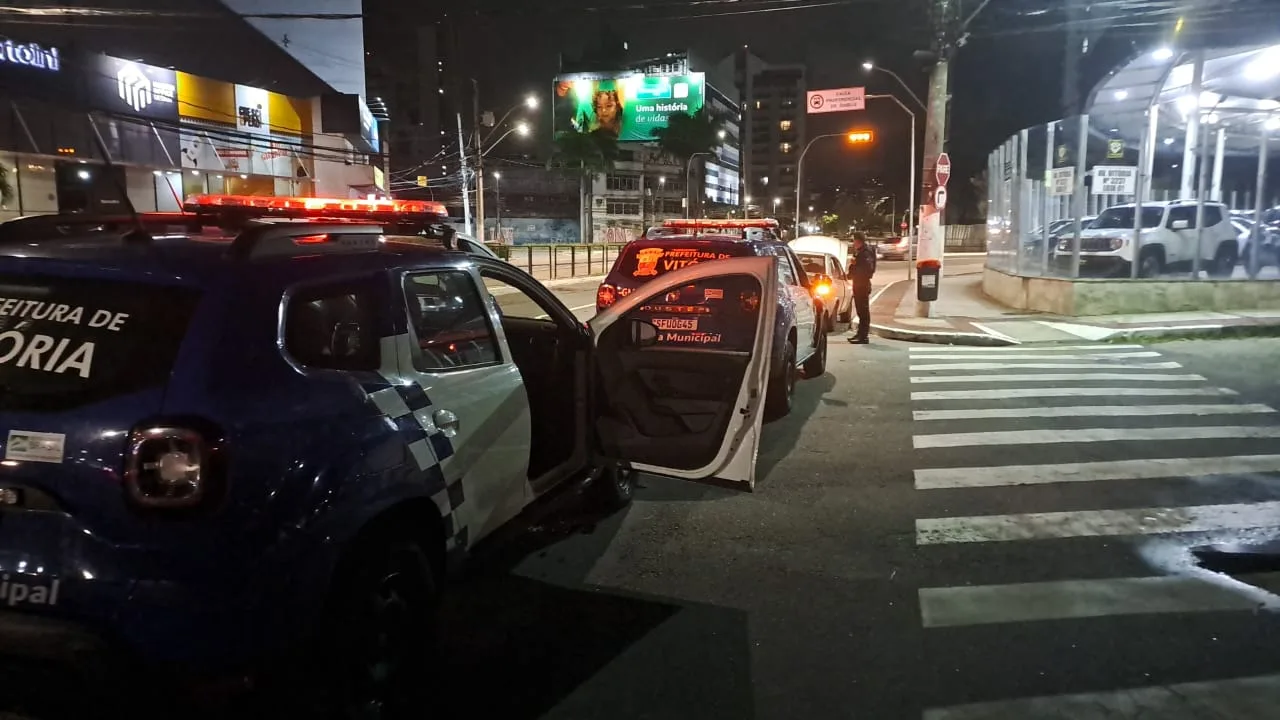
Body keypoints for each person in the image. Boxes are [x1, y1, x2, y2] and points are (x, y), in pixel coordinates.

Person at [847, 232, 876, 344]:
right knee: (860, 311)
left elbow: (868, 270)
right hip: (858, 284)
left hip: (862, 285)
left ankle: (863, 336)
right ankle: (860, 334)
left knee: (863, 312)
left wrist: (855, 264)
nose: (853, 243)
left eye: (854, 240)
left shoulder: (866, 252)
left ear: (858, 240)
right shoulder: (861, 251)